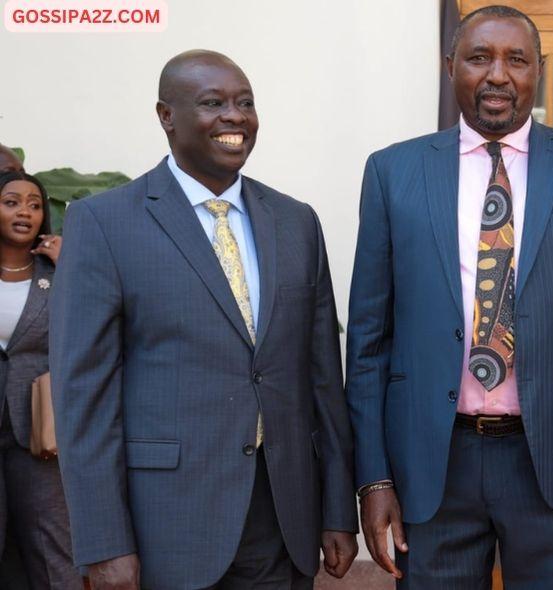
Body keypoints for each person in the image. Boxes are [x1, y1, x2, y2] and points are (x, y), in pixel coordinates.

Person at [345, 5, 553, 588]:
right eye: (479, 58)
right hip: (432, 466)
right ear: (450, 65)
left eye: (517, 60)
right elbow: (368, 342)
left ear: (540, 70)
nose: (498, 75)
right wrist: (374, 477)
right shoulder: (392, 172)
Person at [49, 50, 358, 590]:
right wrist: (104, 540)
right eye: (213, 103)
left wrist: (336, 509)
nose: (234, 116)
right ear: (166, 116)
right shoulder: (103, 222)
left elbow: (322, 380)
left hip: (281, 519)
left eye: (245, 103)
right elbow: (84, 397)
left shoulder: (296, 222)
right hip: (165, 524)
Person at [0, 171, 75, 588]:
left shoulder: (58, 271)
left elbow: (89, 331)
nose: (25, 211)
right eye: (12, 202)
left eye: (33, 203)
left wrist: (71, 267)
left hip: (39, 429)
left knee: (52, 547)